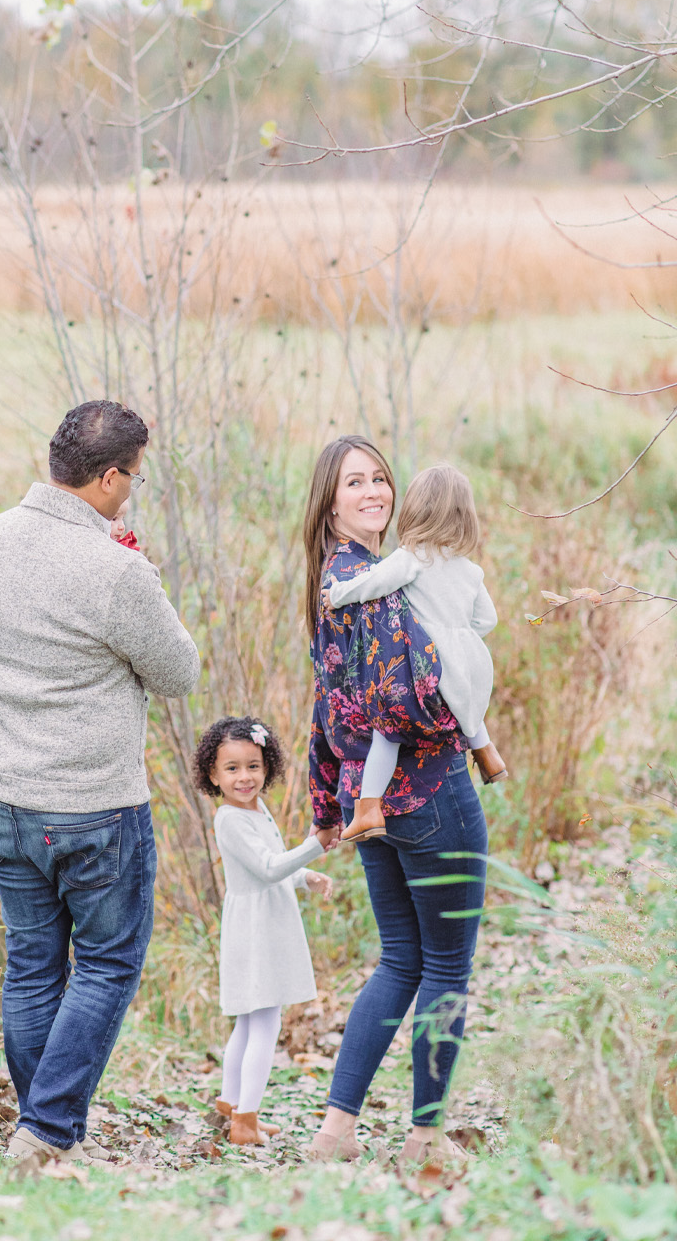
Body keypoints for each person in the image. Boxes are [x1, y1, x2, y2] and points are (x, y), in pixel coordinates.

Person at [0, 399, 200, 1165]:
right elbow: (178, 673)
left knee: (33, 963)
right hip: (90, 807)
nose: (131, 489)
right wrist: (140, 571)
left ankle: (41, 1131)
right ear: (106, 477)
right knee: (105, 965)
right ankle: (46, 1130)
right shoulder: (117, 571)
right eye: (130, 477)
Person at [303, 435, 488, 1168]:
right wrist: (461, 720)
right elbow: (401, 701)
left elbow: (326, 710)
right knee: (444, 970)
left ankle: (335, 1133)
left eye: (380, 478)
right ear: (330, 500)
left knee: (400, 962)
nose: (374, 492)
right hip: (430, 793)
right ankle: (423, 1143)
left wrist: (330, 802)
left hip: (369, 802)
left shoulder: (339, 577)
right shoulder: (385, 585)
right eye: (355, 483)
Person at [323, 463, 508, 844]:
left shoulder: (413, 557)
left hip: (427, 665)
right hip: (468, 659)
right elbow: (487, 619)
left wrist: (337, 593)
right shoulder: (469, 569)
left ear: (414, 511)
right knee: (464, 701)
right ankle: (488, 756)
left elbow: (373, 583)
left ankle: (369, 807)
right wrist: (461, 639)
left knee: (387, 733)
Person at [195, 715, 333, 1147]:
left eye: (253, 766)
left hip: (264, 916)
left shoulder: (256, 810)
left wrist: (305, 875)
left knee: (250, 1018)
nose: (244, 777)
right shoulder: (229, 819)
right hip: (257, 927)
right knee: (265, 1021)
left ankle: (233, 1101)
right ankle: (246, 1120)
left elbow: (270, 865)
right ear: (213, 774)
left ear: (267, 766)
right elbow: (269, 867)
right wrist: (317, 842)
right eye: (232, 768)